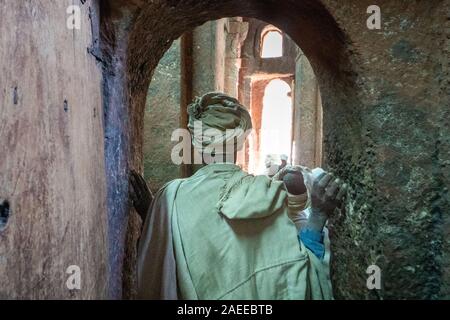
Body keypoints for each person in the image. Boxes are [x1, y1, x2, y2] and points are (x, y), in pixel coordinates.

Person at [132, 92, 346, 300]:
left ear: (196, 144)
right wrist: (318, 216)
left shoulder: (170, 197)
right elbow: (301, 281)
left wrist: (152, 213)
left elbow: (155, 271)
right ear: (240, 142)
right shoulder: (268, 194)